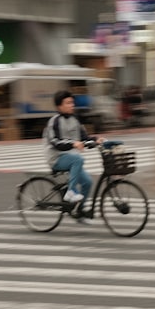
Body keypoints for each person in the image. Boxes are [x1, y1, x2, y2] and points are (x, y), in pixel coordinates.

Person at [44, 91, 104, 223]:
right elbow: (55, 142)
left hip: (72, 158)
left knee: (87, 182)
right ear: (59, 106)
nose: (72, 105)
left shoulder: (75, 120)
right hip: (57, 158)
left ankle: (78, 212)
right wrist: (73, 143)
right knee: (78, 159)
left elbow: (84, 138)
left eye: (72, 102)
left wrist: (95, 140)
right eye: (68, 103)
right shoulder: (54, 121)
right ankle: (70, 192)